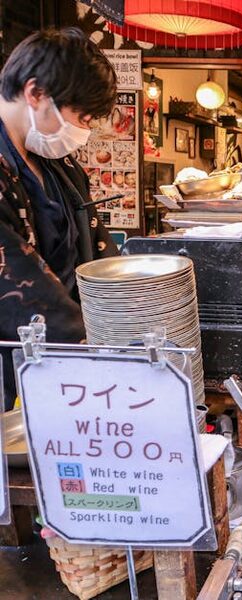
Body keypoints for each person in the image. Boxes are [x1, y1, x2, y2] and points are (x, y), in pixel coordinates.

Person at [0, 28, 118, 409]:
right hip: (19, 368)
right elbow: (15, 279)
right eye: (81, 117)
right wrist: (94, 349)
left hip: (72, 365)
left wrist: (125, 316)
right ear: (35, 94)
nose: (83, 131)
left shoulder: (58, 165)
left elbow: (100, 255)